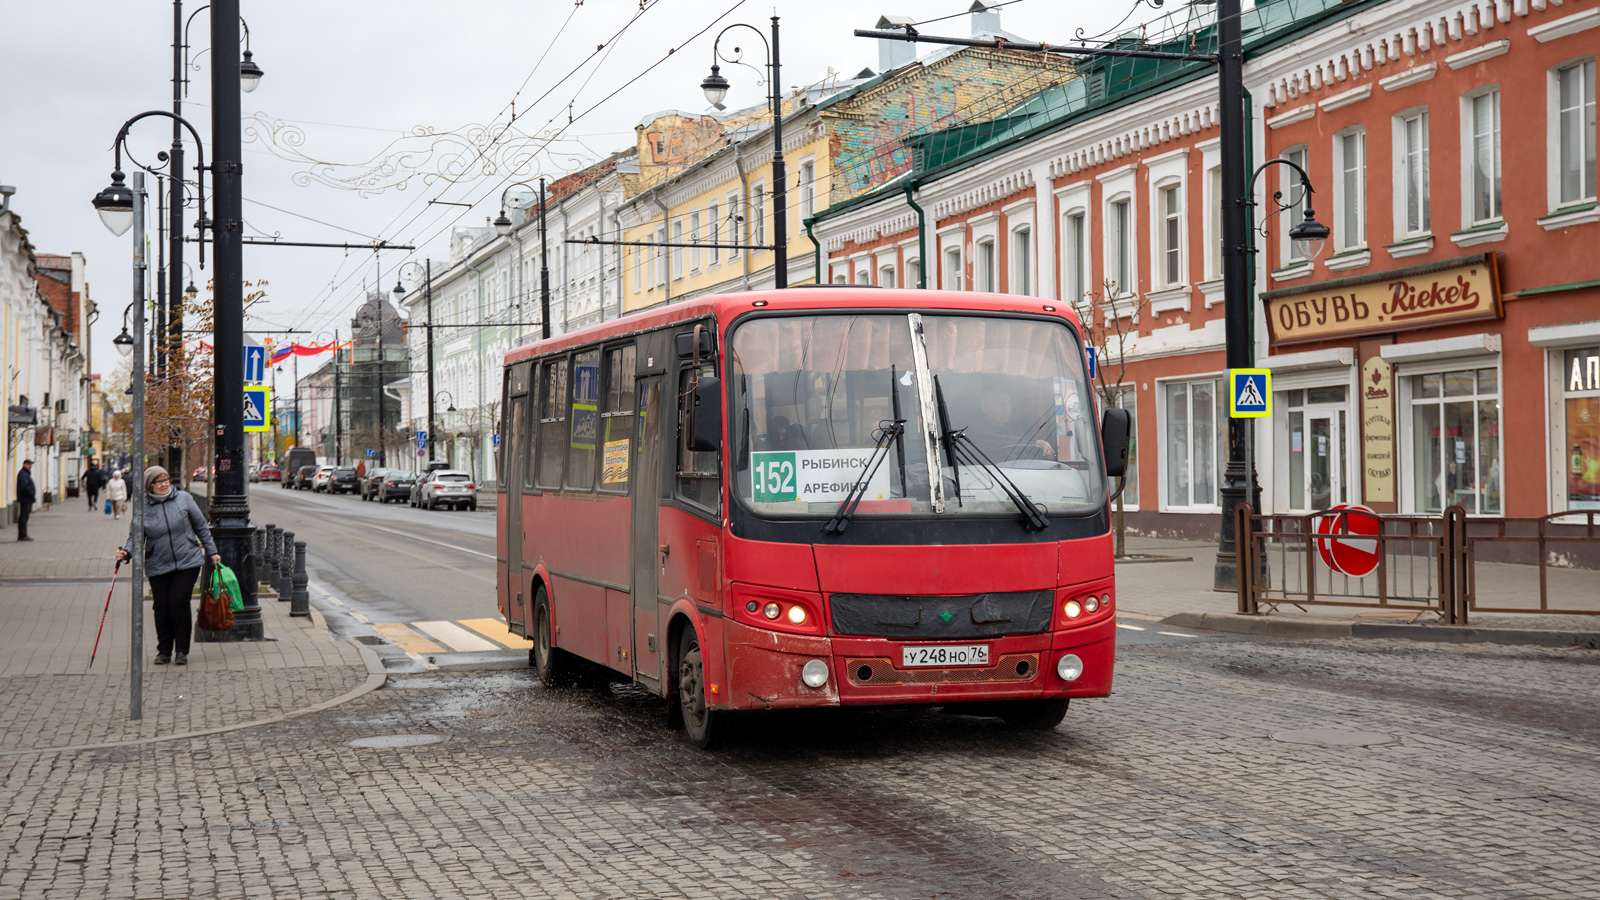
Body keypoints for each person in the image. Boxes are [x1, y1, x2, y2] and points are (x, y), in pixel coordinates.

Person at [115, 466, 220, 666]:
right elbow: (136, 536)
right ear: (149, 486)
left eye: (166, 480)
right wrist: (126, 552)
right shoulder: (143, 507)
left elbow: (201, 526)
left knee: (178, 601)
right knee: (161, 606)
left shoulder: (184, 499)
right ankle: (164, 651)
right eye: (158, 482)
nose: (163, 485)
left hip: (187, 560)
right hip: (158, 562)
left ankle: (181, 650)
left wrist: (212, 551)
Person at [974, 387, 1056, 462]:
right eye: (1000, 404)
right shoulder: (977, 432)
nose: (1007, 409)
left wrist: (1045, 453)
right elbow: (998, 440)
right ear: (985, 408)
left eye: (1008, 404)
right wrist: (1036, 443)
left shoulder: (1016, 431)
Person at [15, 459, 35, 541]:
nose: (30, 466)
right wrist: (31, 493)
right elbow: (24, 486)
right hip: (25, 499)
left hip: (26, 498)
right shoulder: (23, 474)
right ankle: (22, 535)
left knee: (24, 517)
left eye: (31, 464)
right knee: (24, 517)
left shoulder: (25, 473)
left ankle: (23, 535)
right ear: (25, 465)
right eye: (29, 464)